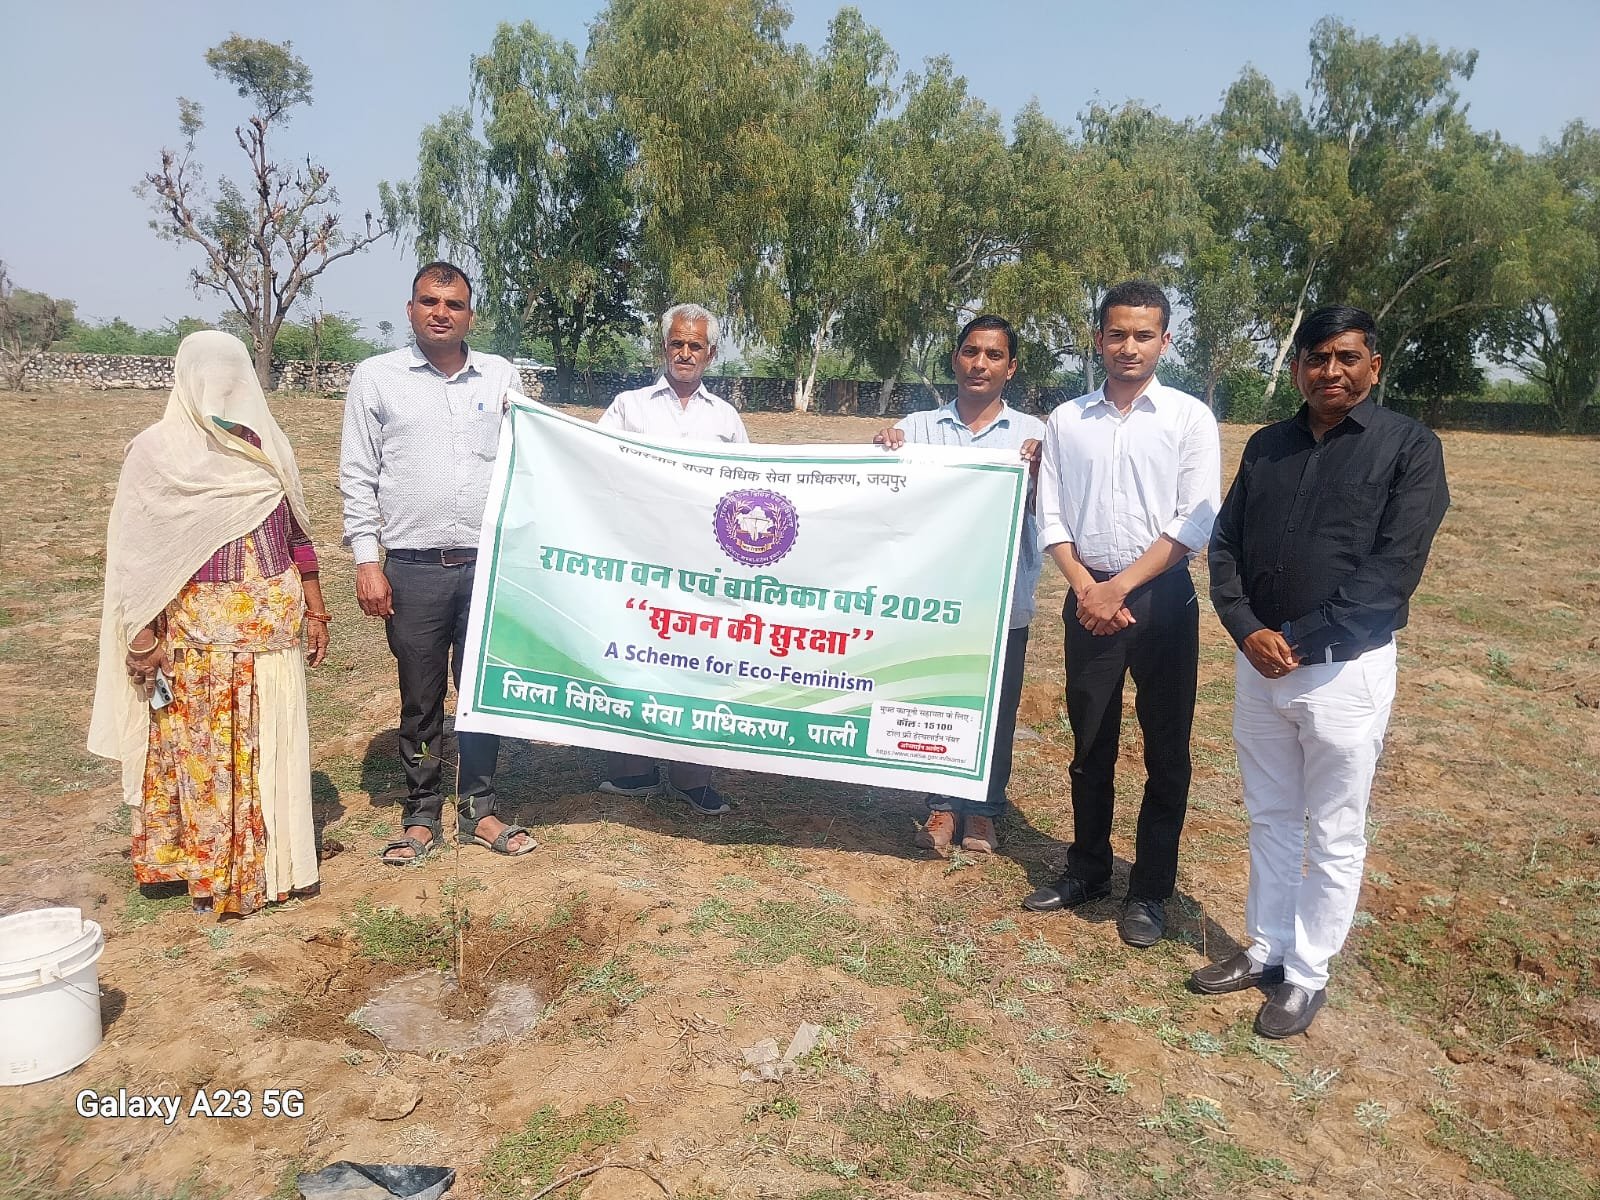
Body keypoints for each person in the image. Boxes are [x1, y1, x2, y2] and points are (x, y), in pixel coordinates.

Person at [1195, 304, 1448, 1037]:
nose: (1330, 371)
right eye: (1315, 358)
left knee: (1335, 829)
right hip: (1259, 665)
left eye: (1346, 357)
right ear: (1298, 368)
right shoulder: (1268, 446)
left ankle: (1307, 974)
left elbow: (1393, 570)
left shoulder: (1408, 447)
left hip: (1342, 673)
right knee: (1271, 815)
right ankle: (1267, 947)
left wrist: (1296, 640)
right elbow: (1224, 545)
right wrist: (1246, 628)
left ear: (1374, 365)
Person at [89, 331, 328, 917]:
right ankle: (211, 870)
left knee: (268, 749)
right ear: (186, 377)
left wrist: (317, 608)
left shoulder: (266, 446)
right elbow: (137, 556)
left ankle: (273, 867)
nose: (223, 385)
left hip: (272, 634)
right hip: (195, 641)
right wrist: (142, 638)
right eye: (210, 372)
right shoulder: (156, 452)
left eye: (233, 371)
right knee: (206, 757)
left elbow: (297, 537)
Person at [1022, 281, 1221, 948]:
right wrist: (1087, 586)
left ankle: (1150, 892)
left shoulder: (1189, 418)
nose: (1128, 346)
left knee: (1166, 751)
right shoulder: (1066, 419)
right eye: (1117, 334)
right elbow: (1051, 512)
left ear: (1165, 341)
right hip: (1087, 596)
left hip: (1162, 599)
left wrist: (1123, 587)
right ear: (1098, 339)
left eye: (1143, 335)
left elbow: (1195, 518)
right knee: (1089, 744)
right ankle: (1087, 868)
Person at [340, 262, 535, 863]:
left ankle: (480, 808)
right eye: (429, 301)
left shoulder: (501, 377)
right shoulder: (376, 378)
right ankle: (421, 811)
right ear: (411, 310)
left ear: (470, 315)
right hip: (413, 568)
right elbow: (358, 474)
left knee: (481, 693)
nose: (441, 312)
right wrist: (367, 560)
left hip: (488, 567)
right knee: (421, 697)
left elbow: (533, 456)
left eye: (453, 304)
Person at [871, 314, 1044, 854]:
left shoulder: (1035, 436)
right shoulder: (918, 428)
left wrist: (1041, 474)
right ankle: (942, 806)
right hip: (936, 600)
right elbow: (889, 501)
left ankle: (984, 812)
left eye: (994, 355)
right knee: (938, 701)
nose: (980, 364)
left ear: (1010, 368)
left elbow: (1052, 515)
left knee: (998, 710)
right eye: (971, 352)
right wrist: (885, 452)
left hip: (1002, 601)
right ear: (955, 359)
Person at [594, 303, 749, 816]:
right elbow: (592, 463)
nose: (685, 353)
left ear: (711, 353)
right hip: (637, 560)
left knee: (696, 665)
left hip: (704, 567)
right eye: (677, 343)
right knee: (633, 658)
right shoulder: (629, 407)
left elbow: (747, 486)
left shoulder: (725, 418)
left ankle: (692, 777)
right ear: (664, 347)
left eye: (695, 345)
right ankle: (631, 770)